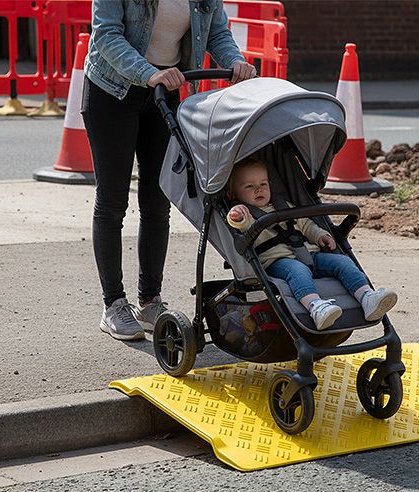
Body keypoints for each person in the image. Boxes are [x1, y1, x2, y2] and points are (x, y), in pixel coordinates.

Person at [82, 0, 256, 341]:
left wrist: (234, 61)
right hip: (113, 90)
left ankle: (149, 301)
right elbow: (106, 35)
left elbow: (217, 31)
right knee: (113, 201)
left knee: (158, 199)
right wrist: (148, 72)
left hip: (165, 91)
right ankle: (114, 305)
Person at [226, 157, 398, 331]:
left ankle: (367, 297)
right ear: (233, 194)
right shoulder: (245, 214)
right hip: (278, 261)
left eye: (263, 184)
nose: (259, 189)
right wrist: (236, 215)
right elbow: (239, 224)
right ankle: (316, 307)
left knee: (342, 261)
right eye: (249, 186)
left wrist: (320, 235)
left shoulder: (283, 204)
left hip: (309, 254)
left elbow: (306, 224)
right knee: (297, 270)